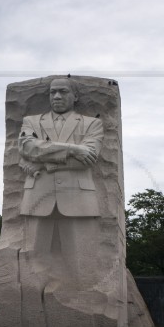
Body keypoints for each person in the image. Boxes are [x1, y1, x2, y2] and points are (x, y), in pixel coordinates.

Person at [18, 77, 104, 278]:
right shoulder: (31, 122)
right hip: (38, 196)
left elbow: (88, 158)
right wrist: (73, 148)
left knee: (81, 264)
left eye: (63, 92)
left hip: (78, 198)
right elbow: (27, 148)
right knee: (32, 263)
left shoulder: (92, 124)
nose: (56, 96)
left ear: (75, 96)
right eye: (52, 92)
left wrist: (45, 162)